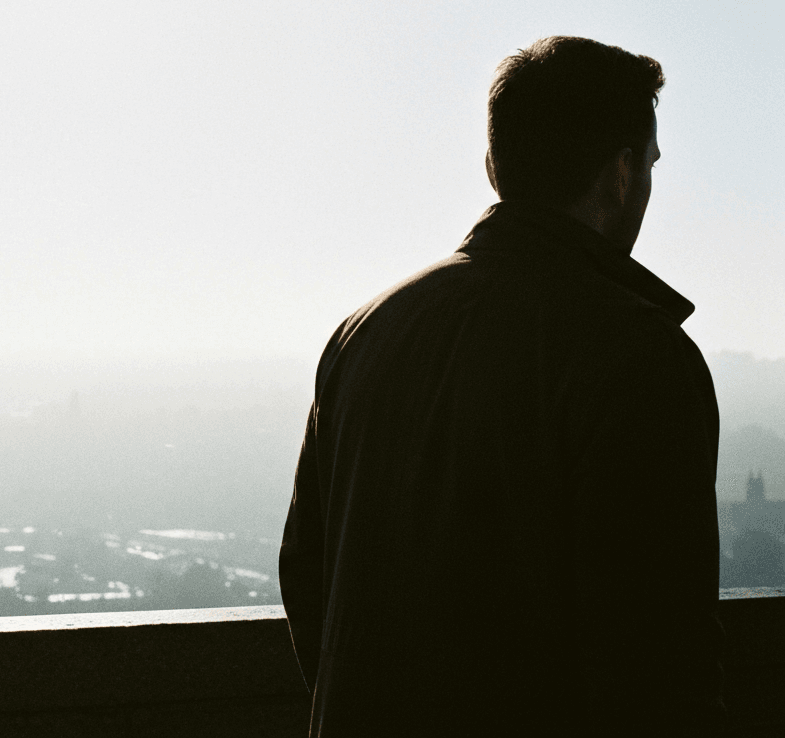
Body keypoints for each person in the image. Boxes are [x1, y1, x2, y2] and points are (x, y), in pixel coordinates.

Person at [279, 37, 723, 736]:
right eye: (649, 164)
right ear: (620, 173)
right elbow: (653, 651)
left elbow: (307, 577)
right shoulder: (637, 355)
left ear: (495, 165)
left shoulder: (365, 332)